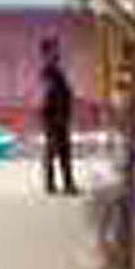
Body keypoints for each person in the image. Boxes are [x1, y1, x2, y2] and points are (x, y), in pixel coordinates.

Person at [39, 36, 80, 197]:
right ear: (47, 51)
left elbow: (60, 94)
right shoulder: (49, 71)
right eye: (54, 48)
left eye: (57, 48)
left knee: (62, 151)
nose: (57, 51)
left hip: (59, 117)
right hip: (55, 118)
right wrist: (56, 117)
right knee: (55, 150)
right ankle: (56, 184)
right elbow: (49, 96)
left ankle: (61, 184)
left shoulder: (54, 70)